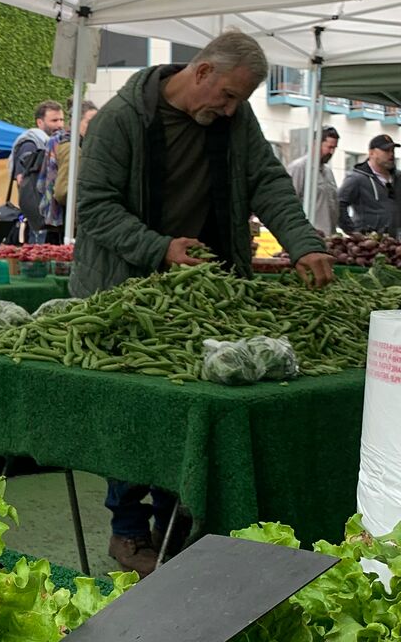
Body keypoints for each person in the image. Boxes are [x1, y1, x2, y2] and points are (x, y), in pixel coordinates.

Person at [72, 30, 334, 577]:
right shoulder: (122, 120)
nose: (233, 108)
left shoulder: (234, 121)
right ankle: (128, 530)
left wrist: (304, 244)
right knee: (134, 414)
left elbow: (268, 182)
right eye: (229, 95)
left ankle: (176, 521)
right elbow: (94, 208)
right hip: (128, 289)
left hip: (205, 291)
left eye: (241, 100)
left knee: (189, 409)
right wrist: (158, 247)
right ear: (202, 72)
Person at [10, 100, 66, 243]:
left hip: (52, 218)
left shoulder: (56, 144)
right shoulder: (30, 144)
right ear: (40, 122)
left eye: (61, 120)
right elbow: (23, 180)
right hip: (39, 221)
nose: (59, 125)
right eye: (54, 120)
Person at [45, 100, 100, 225]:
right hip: (73, 222)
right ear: (76, 123)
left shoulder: (80, 145)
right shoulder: (72, 149)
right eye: (89, 122)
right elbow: (63, 192)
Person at [338, 134, 399, 235]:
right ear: (371, 153)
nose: (391, 154)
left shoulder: (398, 178)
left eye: (392, 150)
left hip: (395, 243)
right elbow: (339, 203)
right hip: (369, 244)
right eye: (386, 151)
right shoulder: (356, 179)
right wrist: (352, 231)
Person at [287, 127, 340, 237]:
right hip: (307, 237)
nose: (332, 152)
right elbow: (289, 204)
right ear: (315, 144)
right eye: (329, 147)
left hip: (329, 238)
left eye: (334, 148)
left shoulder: (328, 172)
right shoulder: (298, 168)